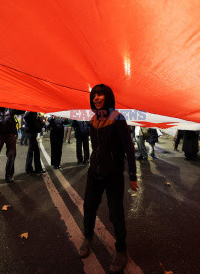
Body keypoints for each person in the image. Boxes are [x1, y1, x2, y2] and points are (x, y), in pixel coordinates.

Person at [78, 84, 138, 273]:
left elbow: (129, 148)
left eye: (100, 94)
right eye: (94, 94)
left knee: (116, 213)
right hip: (94, 172)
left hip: (113, 175)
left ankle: (121, 251)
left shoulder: (117, 118)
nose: (96, 97)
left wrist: (133, 176)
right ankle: (87, 237)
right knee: (88, 206)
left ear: (108, 97)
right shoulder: (94, 119)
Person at [0, 106, 24, 183]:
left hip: (10, 132)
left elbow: (21, 110)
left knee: (12, 154)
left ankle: (9, 175)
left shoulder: (10, 105)